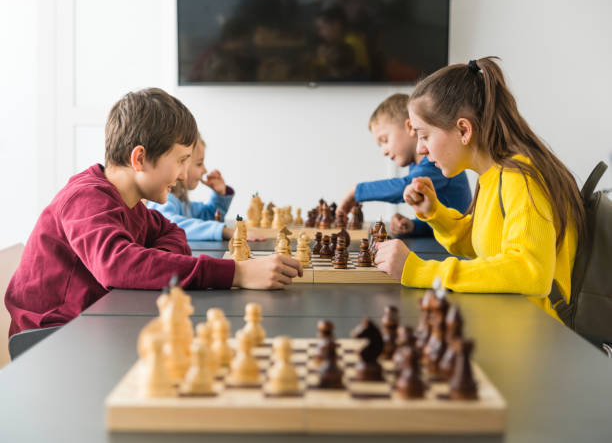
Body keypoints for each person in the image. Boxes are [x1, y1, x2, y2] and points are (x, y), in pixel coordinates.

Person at [4, 88, 302, 336]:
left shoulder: (131, 204)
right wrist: (236, 272)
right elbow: (117, 266)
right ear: (140, 158)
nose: (185, 175)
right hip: (53, 339)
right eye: (181, 160)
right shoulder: (86, 198)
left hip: (95, 323)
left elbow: (173, 233)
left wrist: (152, 259)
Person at [374, 57, 585, 321]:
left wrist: (420, 270)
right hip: (512, 321)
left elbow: (530, 272)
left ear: (463, 129)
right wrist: (436, 213)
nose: (420, 149)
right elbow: (483, 245)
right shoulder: (493, 174)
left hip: (537, 334)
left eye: (424, 135)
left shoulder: (520, 177)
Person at [337, 93, 472, 237]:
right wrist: (413, 226)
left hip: (462, 249)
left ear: (409, 127)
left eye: (385, 140)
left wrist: (357, 191)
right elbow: (438, 222)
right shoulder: (417, 166)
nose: (384, 151)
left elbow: (404, 186)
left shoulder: (436, 163)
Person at [147, 135, 236, 241]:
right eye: (199, 164)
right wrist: (223, 231)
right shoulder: (162, 200)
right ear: (181, 163)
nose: (205, 170)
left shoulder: (183, 202)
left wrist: (220, 194)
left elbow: (209, 216)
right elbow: (169, 225)